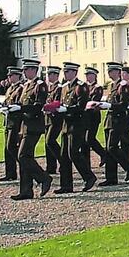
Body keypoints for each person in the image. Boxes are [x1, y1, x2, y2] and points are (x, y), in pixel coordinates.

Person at [13, 59, 52, 201]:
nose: (24, 72)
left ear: (34, 70)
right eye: (23, 70)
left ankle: (44, 178)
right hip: (25, 125)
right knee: (24, 157)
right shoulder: (26, 85)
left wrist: (21, 108)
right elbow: (22, 103)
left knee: (23, 156)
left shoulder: (39, 85)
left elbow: (37, 106)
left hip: (34, 125)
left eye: (26, 70)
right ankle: (26, 190)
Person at [56, 62, 95, 193]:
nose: (65, 74)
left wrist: (66, 109)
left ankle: (89, 177)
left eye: (68, 72)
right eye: (65, 72)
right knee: (64, 156)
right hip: (66, 124)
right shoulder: (65, 87)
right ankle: (66, 185)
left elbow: (81, 106)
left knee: (73, 153)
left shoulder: (81, 87)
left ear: (74, 72)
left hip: (77, 124)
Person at [100, 62, 129, 186]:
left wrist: (110, 105)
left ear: (117, 72)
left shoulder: (123, 86)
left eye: (111, 71)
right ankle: (111, 178)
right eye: (108, 71)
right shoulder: (112, 85)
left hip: (118, 119)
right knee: (108, 149)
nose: (109, 73)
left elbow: (123, 104)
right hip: (110, 119)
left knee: (112, 147)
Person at [0, 66, 24, 182]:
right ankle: (10, 173)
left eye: (11, 75)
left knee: (11, 147)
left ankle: (26, 167)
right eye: (8, 76)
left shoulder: (20, 88)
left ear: (17, 75)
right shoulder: (10, 89)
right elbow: (6, 102)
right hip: (8, 120)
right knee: (7, 149)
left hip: (16, 121)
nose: (9, 77)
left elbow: (20, 104)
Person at [82, 67, 110, 169]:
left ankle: (103, 154)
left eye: (89, 75)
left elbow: (94, 101)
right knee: (84, 141)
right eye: (86, 75)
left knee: (89, 138)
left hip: (93, 116)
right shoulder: (84, 87)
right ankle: (86, 164)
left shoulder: (97, 88)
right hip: (85, 117)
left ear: (94, 75)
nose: (87, 77)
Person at [43, 66, 63, 175]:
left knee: (50, 141)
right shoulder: (50, 87)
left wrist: (48, 107)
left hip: (56, 118)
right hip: (48, 118)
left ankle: (63, 160)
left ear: (56, 75)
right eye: (48, 74)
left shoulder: (59, 88)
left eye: (50, 74)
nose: (48, 76)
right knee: (47, 143)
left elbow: (57, 102)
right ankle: (51, 167)